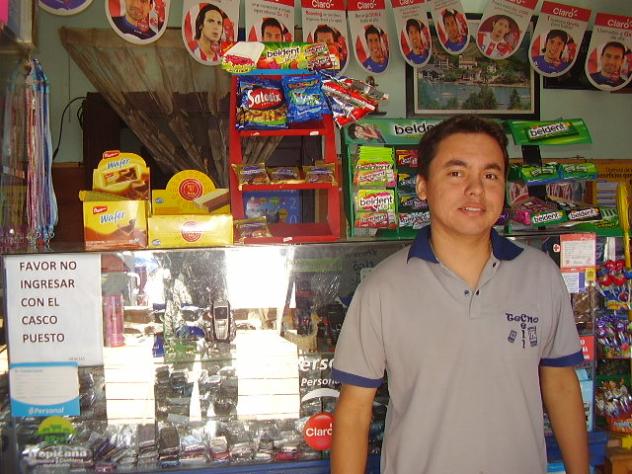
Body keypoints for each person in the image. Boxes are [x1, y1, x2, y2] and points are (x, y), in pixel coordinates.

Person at [331, 115, 588, 474]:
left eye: (490, 175)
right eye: (456, 173)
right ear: (423, 186)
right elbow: (355, 411)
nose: (476, 190)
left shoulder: (541, 276)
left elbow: (560, 384)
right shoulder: (382, 288)